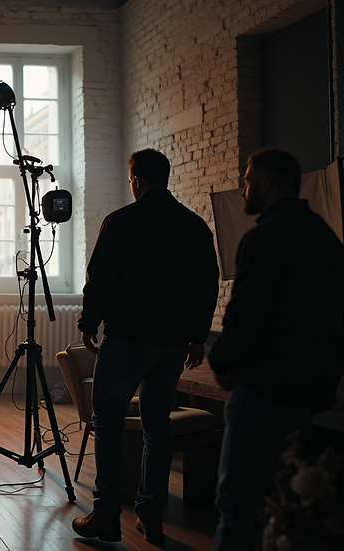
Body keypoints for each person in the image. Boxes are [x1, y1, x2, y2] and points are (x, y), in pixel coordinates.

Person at [72, 149, 219, 545]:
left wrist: (88, 322)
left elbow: (101, 277)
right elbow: (209, 285)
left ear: (135, 179)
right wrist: (198, 336)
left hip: (128, 340)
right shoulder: (195, 226)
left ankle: (106, 514)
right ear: (166, 178)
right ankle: (150, 515)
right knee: (158, 427)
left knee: (108, 420)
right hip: (173, 345)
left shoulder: (121, 221)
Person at [208, 148, 344, 551]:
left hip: (263, 390)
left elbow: (246, 314)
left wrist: (220, 360)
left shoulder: (264, 237)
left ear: (267, 184)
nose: (245, 187)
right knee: (284, 505)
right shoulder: (326, 236)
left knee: (235, 504)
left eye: (249, 180)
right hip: (310, 391)